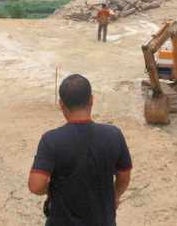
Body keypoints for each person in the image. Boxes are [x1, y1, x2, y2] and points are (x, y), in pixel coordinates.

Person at [28, 74, 132, 226]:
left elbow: (36, 185)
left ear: (61, 105)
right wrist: (114, 197)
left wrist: (52, 190)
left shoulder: (51, 140)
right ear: (91, 100)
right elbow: (124, 176)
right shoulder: (113, 134)